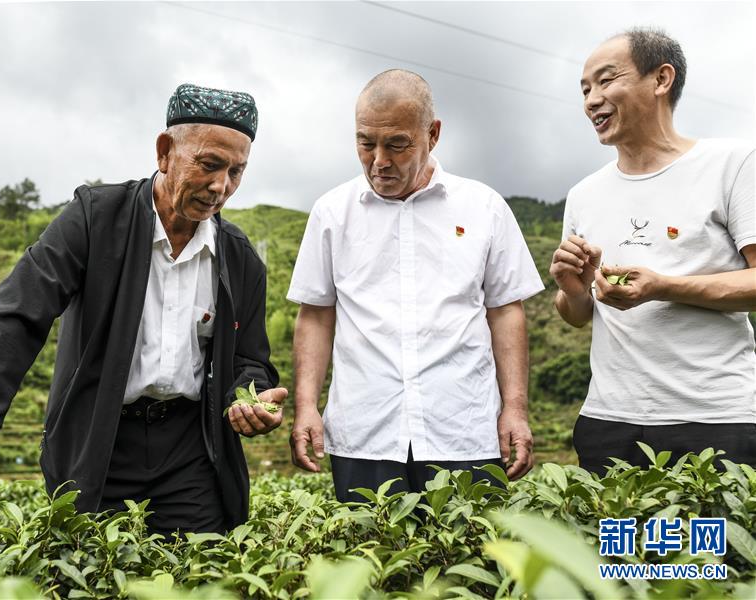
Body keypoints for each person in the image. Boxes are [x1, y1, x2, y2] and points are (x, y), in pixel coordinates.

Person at [0, 84, 288, 537]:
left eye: (236, 172)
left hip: (190, 455)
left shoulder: (239, 258)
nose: (220, 186)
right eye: (209, 165)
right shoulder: (95, 220)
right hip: (100, 444)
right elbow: (15, 317)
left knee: (198, 577)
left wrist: (249, 396)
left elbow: (250, 359)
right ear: (165, 152)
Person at [287, 69, 544, 501]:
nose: (379, 160)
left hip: (463, 428)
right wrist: (306, 405)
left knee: (468, 562)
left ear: (433, 134)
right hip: (364, 433)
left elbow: (504, 312)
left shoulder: (484, 207)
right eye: (365, 143)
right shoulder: (332, 212)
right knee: (374, 561)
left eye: (397, 144)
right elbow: (315, 314)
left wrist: (515, 409)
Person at [551, 28, 756, 475]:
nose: (591, 99)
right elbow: (577, 314)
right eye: (585, 89)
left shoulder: (733, 164)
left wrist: (663, 286)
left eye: (606, 81)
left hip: (715, 420)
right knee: (615, 548)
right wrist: (572, 289)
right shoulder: (583, 194)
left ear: (661, 79)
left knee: (712, 547)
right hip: (608, 422)